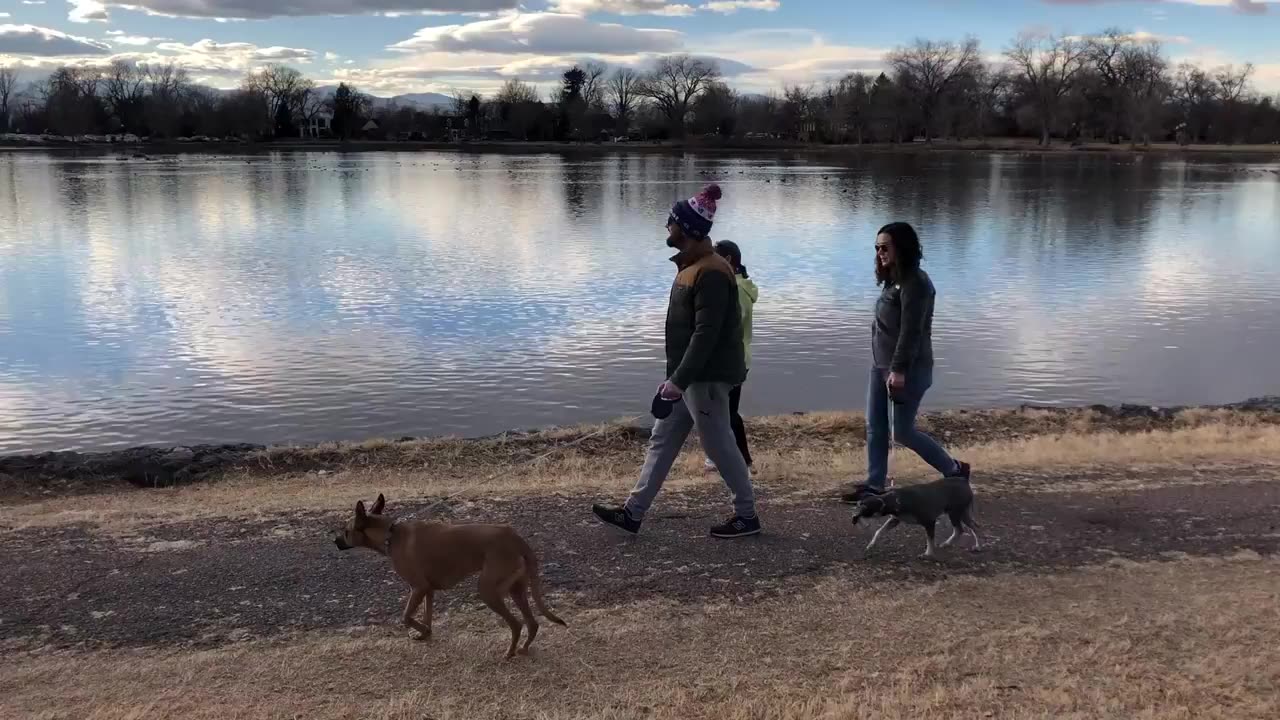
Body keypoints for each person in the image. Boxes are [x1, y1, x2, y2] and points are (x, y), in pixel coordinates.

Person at [593, 184, 760, 539]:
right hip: (689, 379)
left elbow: (706, 334)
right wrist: (675, 379)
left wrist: (678, 381)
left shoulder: (712, 271)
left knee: (719, 445)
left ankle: (747, 515)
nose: (667, 227)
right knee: (662, 439)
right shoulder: (693, 266)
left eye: (671, 222)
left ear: (687, 229)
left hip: (708, 379)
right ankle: (633, 513)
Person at [843, 222, 969, 503]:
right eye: (876, 248)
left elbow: (912, 331)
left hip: (908, 370)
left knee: (901, 430)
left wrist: (898, 369)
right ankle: (874, 486)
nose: (880, 253)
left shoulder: (917, 283)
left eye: (885, 247)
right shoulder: (894, 279)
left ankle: (955, 470)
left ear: (902, 248)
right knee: (875, 426)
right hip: (881, 368)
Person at [703, 240, 757, 473]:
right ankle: (731, 457)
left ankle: (740, 459)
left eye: (715, 258)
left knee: (726, 411)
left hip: (733, 360)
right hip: (736, 358)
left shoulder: (736, 289)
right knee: (724, 410)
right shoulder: (739, 286)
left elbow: (731, 324)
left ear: (729, 260)